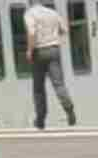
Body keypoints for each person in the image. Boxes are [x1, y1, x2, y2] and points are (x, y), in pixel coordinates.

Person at [26, 0, 77, 129]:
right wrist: (53, 36)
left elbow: (32, 33)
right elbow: (65, 30)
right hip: (54, 49)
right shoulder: (52, 12)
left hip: (39, 51)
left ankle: (40, 120)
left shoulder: (30, 14)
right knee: (59, 84)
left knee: (38, 88)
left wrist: (29, 50)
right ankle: (69, 110)